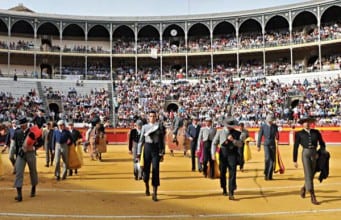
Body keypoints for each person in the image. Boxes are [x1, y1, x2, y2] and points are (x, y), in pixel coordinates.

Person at [293, 116, 326, 205]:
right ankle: (313, 196)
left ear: (310, 123)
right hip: (306, 154)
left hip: (314, 154)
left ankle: (304, 188)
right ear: (302, 124)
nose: (307, 124)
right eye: (305, 122)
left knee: (311, 174)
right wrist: (295, 160)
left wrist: (320, 152)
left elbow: (322, 143)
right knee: (308, 174)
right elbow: (295, 146)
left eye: (308, 122)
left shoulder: (316, 132)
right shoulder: (299, 133)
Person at [137, 110, 166, 202]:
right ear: (148, 117)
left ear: (156, 117)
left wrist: (162, 152)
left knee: (156, 169)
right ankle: (147, 187)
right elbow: (141, 140)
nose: (152, 117)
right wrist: (138, 153)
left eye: (154, 116)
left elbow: (162, 140)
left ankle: (155, 193)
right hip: (147, 148)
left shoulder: (159, 126)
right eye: (151, 116)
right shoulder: (145, 127)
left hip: (156, 149)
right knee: (146, 170)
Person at [212, 118, 243, 200]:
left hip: (232, 155)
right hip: (223, 154)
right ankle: (224, 188)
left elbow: (240, 144)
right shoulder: (220, 132)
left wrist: (233, 140)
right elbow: (214, 143)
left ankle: (231, 192)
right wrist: (213, 154)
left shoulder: (237, 133)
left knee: (233, 173)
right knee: (222, 172)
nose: (230, 128)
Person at [13, 117, 42, 202]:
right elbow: (17, 146)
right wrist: (17, 155)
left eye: (23, 125)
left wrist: (34, 147)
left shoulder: (33, 131)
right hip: (21, 154)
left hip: (30, 153)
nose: (22, 126)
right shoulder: (17, 132)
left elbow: (41, 142)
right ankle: (19, 195)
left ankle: (33, 187)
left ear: (26, 124)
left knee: (33, 171)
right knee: (18, 172)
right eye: (21, 125)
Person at [257, 114, 279, 180]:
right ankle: (266, 173)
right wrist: (258, 145)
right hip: (266, 144)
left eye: (271, 121)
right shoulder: (263, 126)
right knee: (267, 158)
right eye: (270, 120)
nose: (271, 122)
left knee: (272, 160)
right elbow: (260, 136)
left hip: (273, 144)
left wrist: (277, 138)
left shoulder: (275, 126)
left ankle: (270, 175)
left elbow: (277, 134)